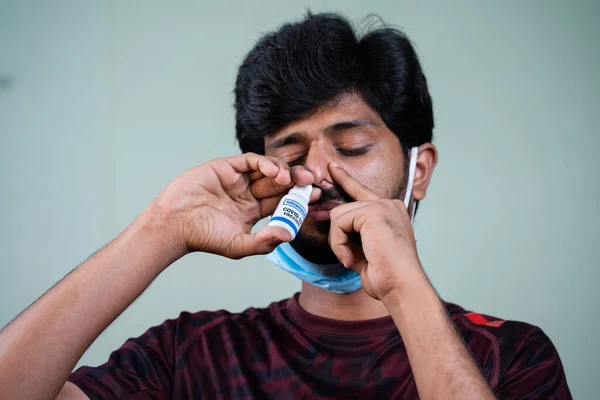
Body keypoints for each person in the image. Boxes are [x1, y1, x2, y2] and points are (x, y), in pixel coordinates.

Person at [0, 12, 571, 400]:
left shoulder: (511, 355)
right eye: (291, 153)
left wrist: (405, 290)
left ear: (417, 171)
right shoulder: (192, 355)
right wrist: (160, 230)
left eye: (351, 147)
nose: (317, 173)